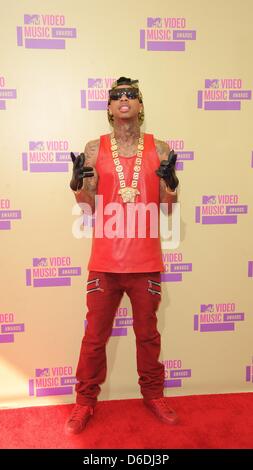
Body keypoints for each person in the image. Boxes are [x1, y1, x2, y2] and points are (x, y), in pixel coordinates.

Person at [65, 77, 179, 435]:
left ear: (140, 106)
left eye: (131, 95)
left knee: (148, 336)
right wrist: (78, 185)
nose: (124, 100)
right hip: (105, 263)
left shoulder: (159, 149)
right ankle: (84, 403)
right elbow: (87, 207)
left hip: (146, 263)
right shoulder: (94, 149)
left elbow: (167, 208)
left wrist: (171, 184)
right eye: (117, 96)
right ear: (110, 108)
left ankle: (154, 395)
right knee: (95, 338)